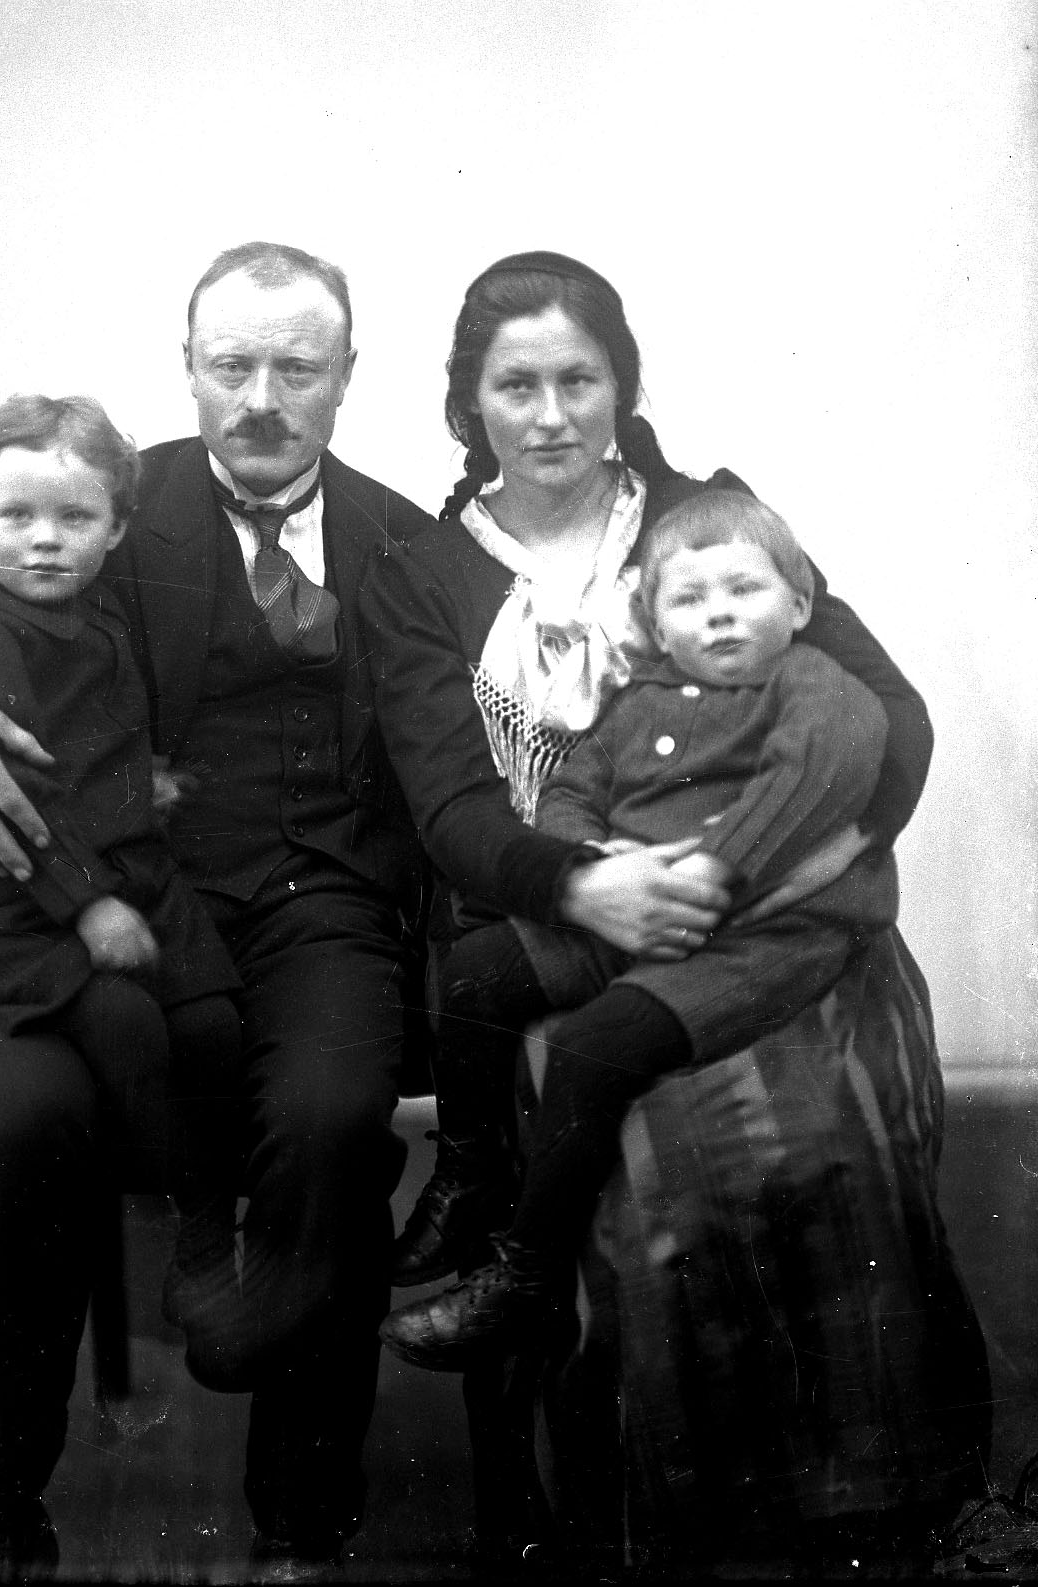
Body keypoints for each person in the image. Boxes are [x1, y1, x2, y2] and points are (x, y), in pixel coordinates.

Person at [358, 251, 985, 1563]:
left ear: (621, 385)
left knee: (816, 1122)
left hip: (779, 906)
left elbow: (886, 714)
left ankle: (853, 1483)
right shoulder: (420, 571)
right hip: (550, 900)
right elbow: (452, 809)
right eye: (514, 386)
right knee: (638, 1138)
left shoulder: (707, 520)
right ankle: (634, 1506)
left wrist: (810, 866)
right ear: (468, 403)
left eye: (577, 380)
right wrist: (588, 883)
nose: (549, 415)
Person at [0, 243, 432, 1578]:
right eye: (232, 365)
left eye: (297, 367)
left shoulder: (402, 538)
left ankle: (302, 1518)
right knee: (10, 1126)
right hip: (97, 911)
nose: (261, 400)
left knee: (332, 1118)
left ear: (346, 374)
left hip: (314, 909)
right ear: (188, 369)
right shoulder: (106, 501)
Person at [379, 486, 900, 1366]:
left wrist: (712, 868)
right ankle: (470, 1175)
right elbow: (574, 785)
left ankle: (526, 1276)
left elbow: (813, 774)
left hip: (761, 934)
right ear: (655, 625)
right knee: (473, 970)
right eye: (688, 600)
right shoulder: (642, 699)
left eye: (745, 590)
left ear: (800, 602)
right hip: (638, 905)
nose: (719, 614)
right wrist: (586, 858)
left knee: (594, 1045)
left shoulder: (814, 685)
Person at [0, 394, 246, 1398]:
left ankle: (210, 1228)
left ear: (116, 530)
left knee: (212, 1017)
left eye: (75, 518)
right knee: (127, 1022)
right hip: (7, 899)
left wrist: (145, 784)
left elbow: (101, 732)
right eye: (17, 516)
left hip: (111, 861)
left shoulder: (101, 603)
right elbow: (15, 797)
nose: (44, 540)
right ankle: (172, 1215)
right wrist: (88, 908)